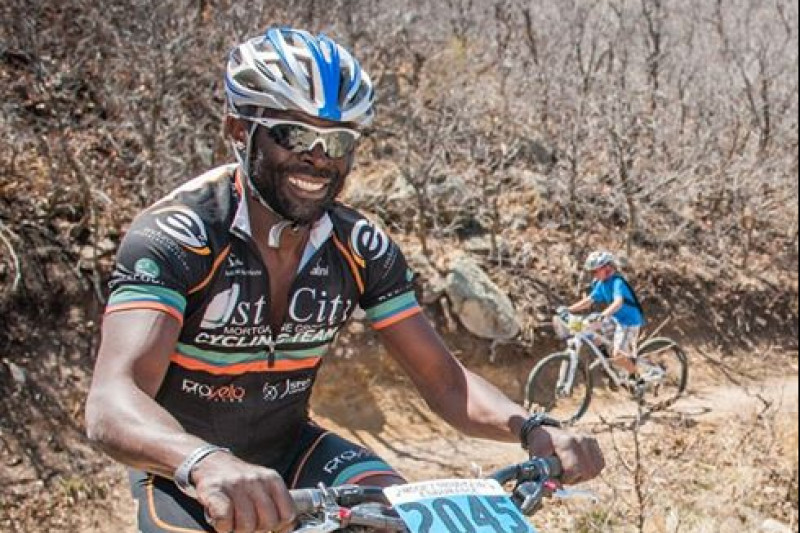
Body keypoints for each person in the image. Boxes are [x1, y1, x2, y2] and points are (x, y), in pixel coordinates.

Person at [85, 27, 605, 533]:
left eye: (338, 141)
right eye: (293, 134)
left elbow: (445, 382)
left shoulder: (359, 246)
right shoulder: (180, 236)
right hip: (187, 469)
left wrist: (533, 428)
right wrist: (203, 461)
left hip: (296, 451)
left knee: (399, 520)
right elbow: (112, 401)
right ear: (240, 132)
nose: (318, 158)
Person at [562, 251, 646, 380]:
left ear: (608, 268)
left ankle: (638, 379)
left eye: (595, 271)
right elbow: (589, 301)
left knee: (617, 355)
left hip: (629, 321)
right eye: (592, 272)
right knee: (587, 328)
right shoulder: (601, 284)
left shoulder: (617, 282)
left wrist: (603, 315)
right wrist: (568, 309)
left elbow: (618, 302)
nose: (593, 275)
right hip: (615, 319)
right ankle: (608, 363)